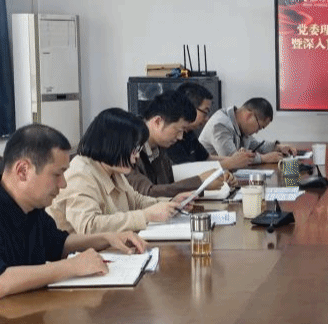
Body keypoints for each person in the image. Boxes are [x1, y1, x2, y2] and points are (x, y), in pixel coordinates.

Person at [0, 123, 147, 324]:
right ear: (23, 171)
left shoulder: (30, 209)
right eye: (57, 174)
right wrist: (72, 266)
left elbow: (60, 244)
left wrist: (108, 237)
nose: (63, 184)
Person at [48, 107, 191, 235]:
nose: (137, 155)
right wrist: (145, 216)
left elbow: (136, 201)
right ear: (114, 145)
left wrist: (171, 203)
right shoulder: (80, 173)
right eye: (134, 149)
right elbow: (88, 226)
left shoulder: (112, 170)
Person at [127, 91, 230, 198]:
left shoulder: (159, 147)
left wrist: (215, 179)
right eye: (179, 130)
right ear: (158, 122)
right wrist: (200, 181)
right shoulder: (128, 145)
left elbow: (169, 184)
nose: (180, 137)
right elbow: (146, 193)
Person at [199, 97, 295, 168]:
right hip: (207, 180)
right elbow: (232, 159)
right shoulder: (220, 125)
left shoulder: (241, 126)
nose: (256, 132)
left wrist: (277, 147)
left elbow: (257, 145)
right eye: (259, 127)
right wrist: (264, 158)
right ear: (249, 116)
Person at [167, 81, 216, 165]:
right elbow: (187, 168)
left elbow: (205, 158)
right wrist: (232, 162)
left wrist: (233, 160)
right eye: (205, 112)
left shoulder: (189, 133)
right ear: (190, 108)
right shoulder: (170, 137)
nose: (207, 119)